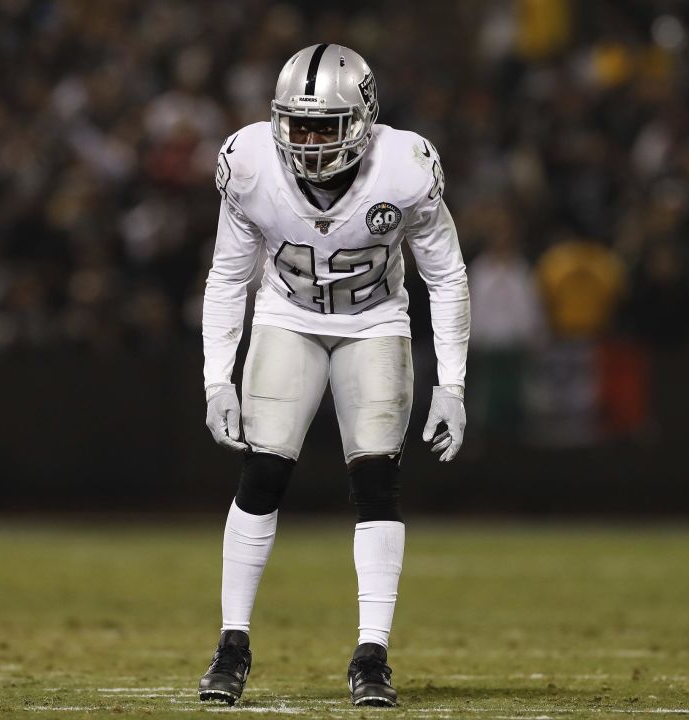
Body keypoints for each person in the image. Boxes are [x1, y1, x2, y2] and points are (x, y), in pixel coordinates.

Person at [198, 44, 470, 707]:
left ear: (366, 119)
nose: (309, 140)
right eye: (297, 123)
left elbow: (447, 275)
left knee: (377, 480)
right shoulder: (251, 162)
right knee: (263, 470)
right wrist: (217, 379)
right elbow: (228, 278)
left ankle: (371, 654)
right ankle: (232, 643)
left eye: (326, 125)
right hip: (287, 317)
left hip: (374, 322)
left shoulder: (404, 167)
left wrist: (453, 386)